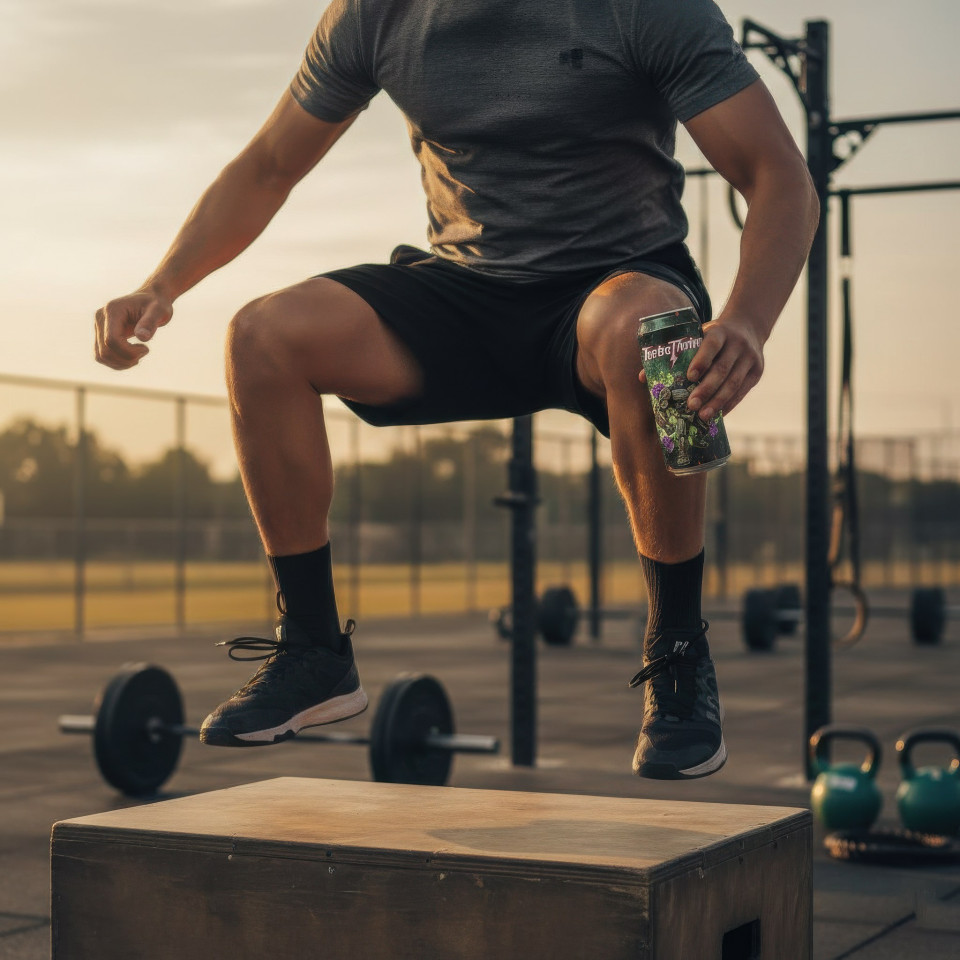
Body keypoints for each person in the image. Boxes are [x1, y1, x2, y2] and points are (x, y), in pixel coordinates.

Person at [94, 0, 818, 780]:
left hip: (612, 286)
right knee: (263, 336)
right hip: (465, 292)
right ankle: (312, 650)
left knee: (660, 334)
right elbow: (270, 165)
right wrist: (162, 284)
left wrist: (746, 320)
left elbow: (779, 176)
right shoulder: (375, 14)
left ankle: (678, 653)